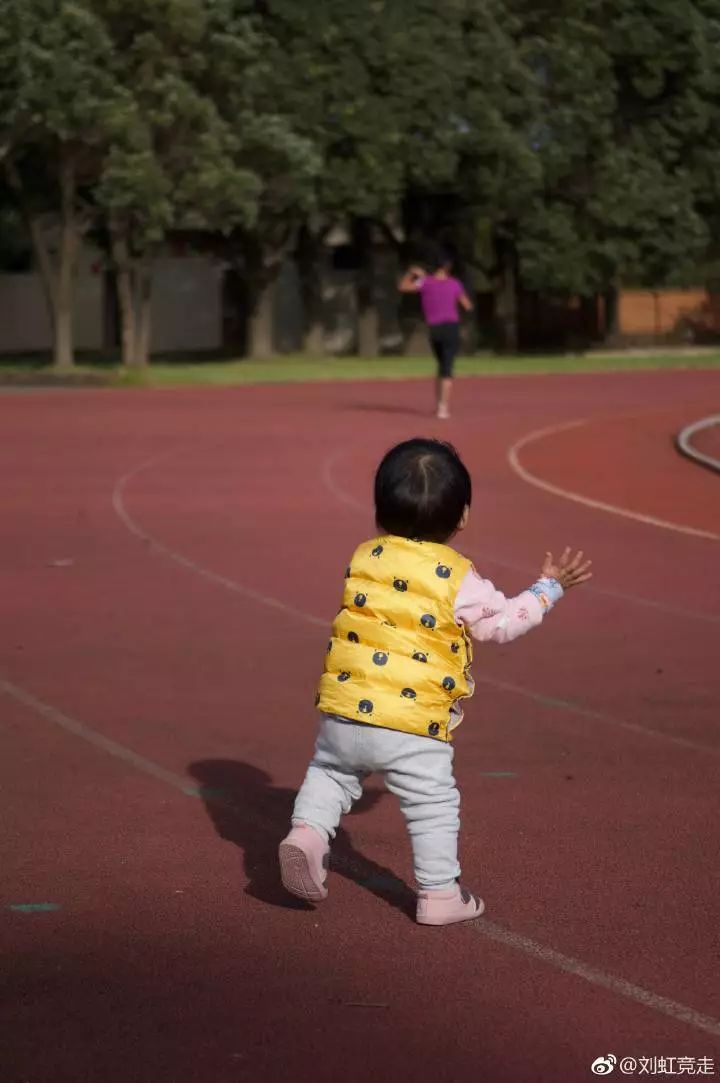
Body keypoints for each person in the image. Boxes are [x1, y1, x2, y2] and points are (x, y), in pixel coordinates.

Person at [279, 438, 592, 926]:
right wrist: (549, 588)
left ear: (379, 512)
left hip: (344, 705)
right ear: (462, 517)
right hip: (411, 719)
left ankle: (307, 834)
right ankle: (440, 894)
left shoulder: (365, 556)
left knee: (331, 773)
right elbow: (501, 624)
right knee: (432, 803)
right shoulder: (457, 577)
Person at [398, 251, 473, 420]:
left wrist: (411, 272)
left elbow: (402, 287)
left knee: (441, 366)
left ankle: (439, 403)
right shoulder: (454, 283)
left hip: (434, 329)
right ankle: (443, 408)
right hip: (450, 327)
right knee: (447, 368)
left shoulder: (425, 282)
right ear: (448, 267)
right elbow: (467, 305)